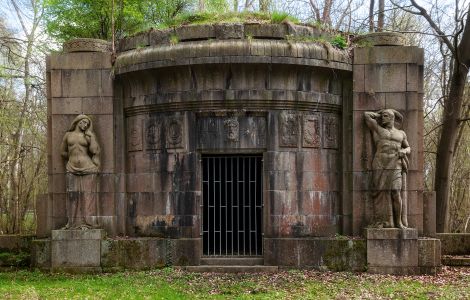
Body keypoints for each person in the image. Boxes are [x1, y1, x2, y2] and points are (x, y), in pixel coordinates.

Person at [364, 109, 410, 228]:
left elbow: (408, 147)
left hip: (395, 164)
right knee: (380, 191)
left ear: (391, 118)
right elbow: (366, 115)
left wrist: (404, 151)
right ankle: (381, 220)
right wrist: (379, 113)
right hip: (380, 163)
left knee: (396, 191)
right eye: (382, 116)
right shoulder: (378, 129)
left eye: (385, 116)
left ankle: (398, 221)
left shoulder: (401, 133)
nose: (382, 118)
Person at [60, 114, 100, 229]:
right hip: (71, 168)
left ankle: (89, 223)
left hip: (88, 168)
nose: (85, 125)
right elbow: (62, 152)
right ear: (77, 122)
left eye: (87, 124)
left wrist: (92, 137)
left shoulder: (87, 136)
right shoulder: (68, 135)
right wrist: (73, 158)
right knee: (72, 195)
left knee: (88, 196)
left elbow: (94, 150)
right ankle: (72, 223)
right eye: (83, 122)